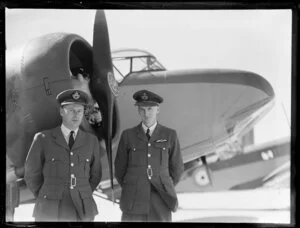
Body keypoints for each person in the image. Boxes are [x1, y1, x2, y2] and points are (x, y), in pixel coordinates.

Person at [24, 89, 102, 222]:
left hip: (82, 210)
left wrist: (83, 192)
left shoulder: (91, 141)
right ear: (61, 111)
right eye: (71, 110)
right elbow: (31, 174)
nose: (76, 114)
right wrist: (46, 195)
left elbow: (95, 175)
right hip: (50, 211)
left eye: (79, 110)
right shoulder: (43, 138)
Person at [114, 89, 184, 222]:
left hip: (161, 199)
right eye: (142, 109)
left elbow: (177, 167)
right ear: (138, 111)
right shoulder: (127, 135)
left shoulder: (170, 135)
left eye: (150, 109)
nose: (146, 113)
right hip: (133, 200)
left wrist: (165, 185)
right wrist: (133, 185)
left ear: (158, 110)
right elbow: (119, 169)